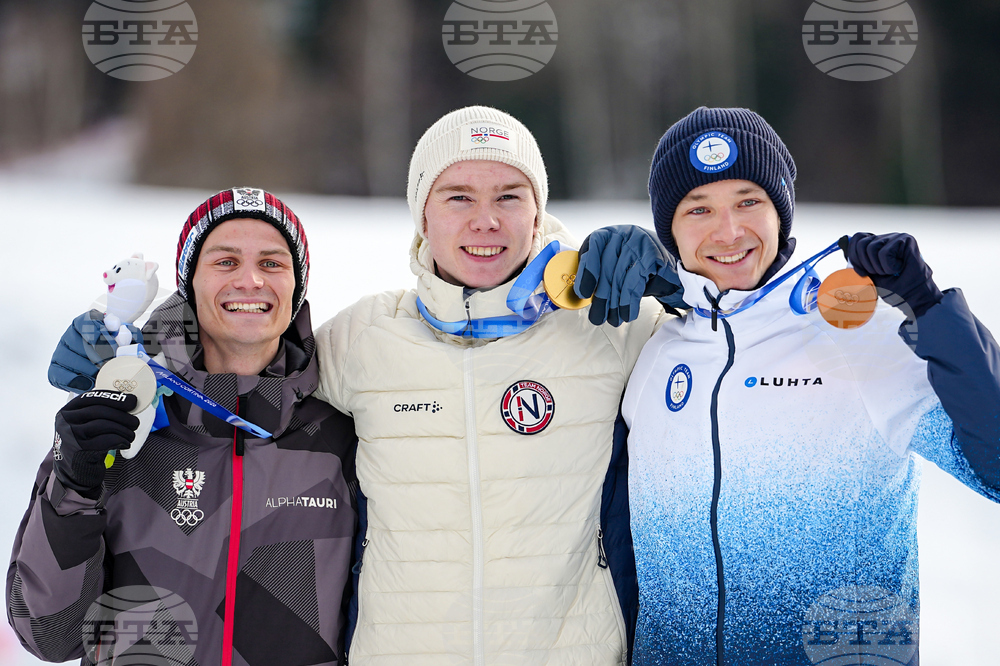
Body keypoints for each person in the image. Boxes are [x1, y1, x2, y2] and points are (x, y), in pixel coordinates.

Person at [573, 107, 1000, 665]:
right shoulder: (654, 346)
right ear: (667, 231)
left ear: (782, 212)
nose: (729, 232)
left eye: (748, 201)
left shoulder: (857, 333)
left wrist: (933, 313)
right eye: (698, 208)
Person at [312, 106, 674, 665]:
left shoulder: (608, 325)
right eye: (458, 196)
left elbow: (738, 348)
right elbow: (234, 377)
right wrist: (132, 370)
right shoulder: (364, 336)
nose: (486, 220)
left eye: (509, 196)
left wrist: (681, 280)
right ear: (423, 217)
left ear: (537, 215)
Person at [8, 188, 358, 666]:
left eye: (273, 263)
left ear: (297, 286)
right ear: (187, 282)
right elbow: (49, 634)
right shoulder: (124, 418)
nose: (251, 280)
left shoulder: (341, 432)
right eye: (225, 261)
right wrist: (73, 484)